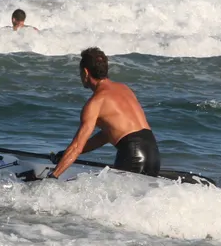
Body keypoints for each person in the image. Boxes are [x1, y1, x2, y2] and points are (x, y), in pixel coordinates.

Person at [50, 47, 160, 179]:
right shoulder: (125, 89)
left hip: (132, 155)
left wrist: (53, 176)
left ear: (85, 72)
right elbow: (105, 136)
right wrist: (65, 155)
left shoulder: (96, 102)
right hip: (153, 155)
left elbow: (77, 147)